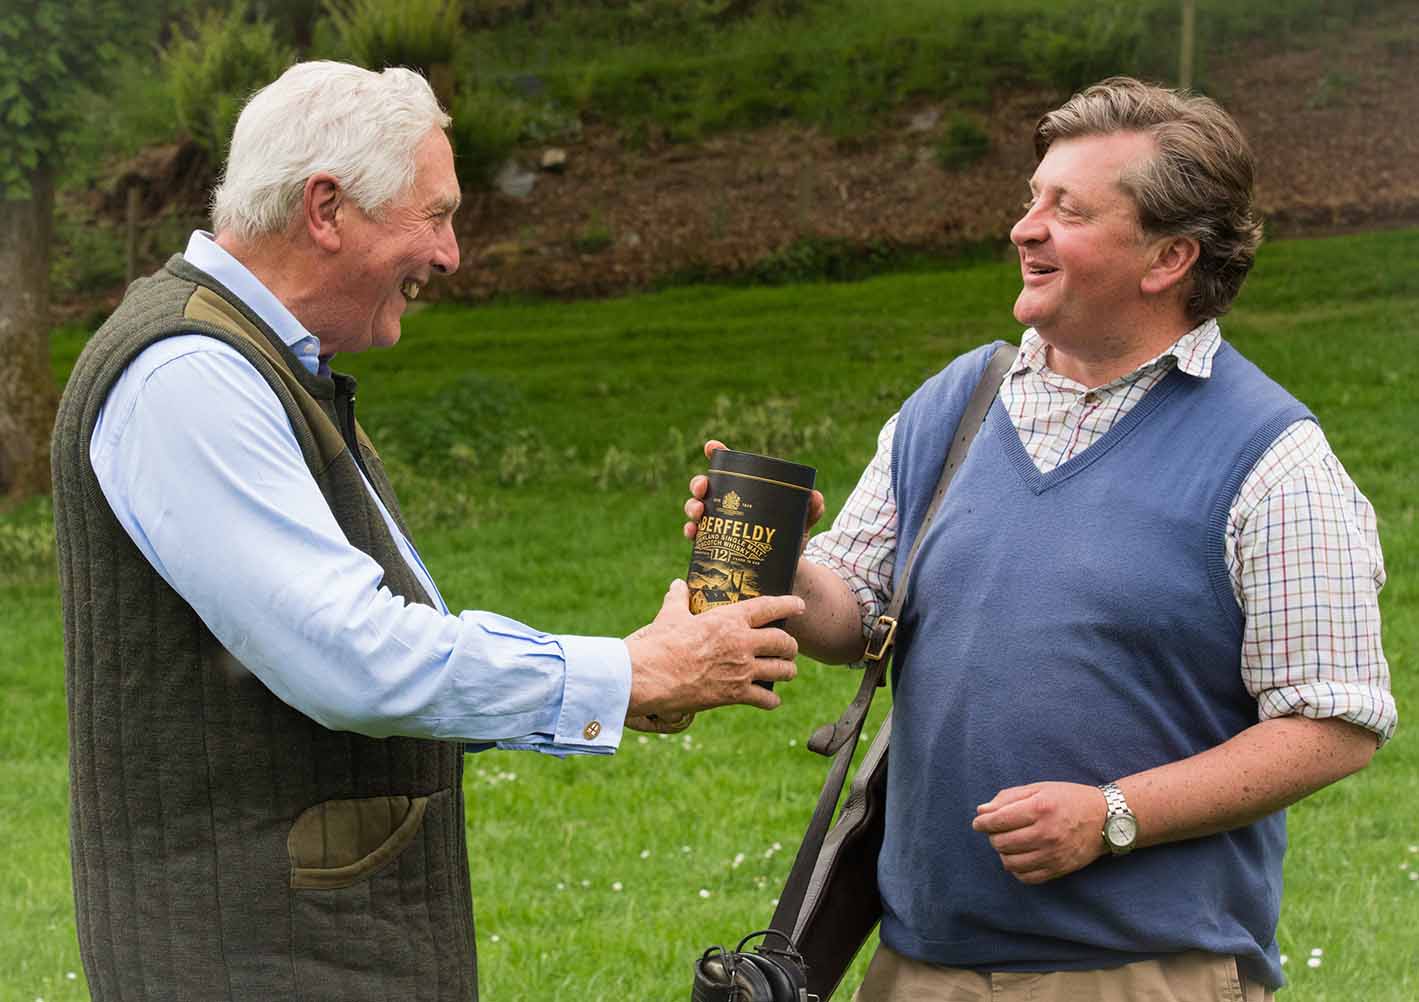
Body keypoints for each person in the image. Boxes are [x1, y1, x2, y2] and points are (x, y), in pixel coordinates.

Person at [51, 61, 802, 1002]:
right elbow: (352, 657)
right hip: (255, 960)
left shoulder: (257, 362)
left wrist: (628, 673)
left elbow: (378, 644)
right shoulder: (189, 376)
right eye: (435, 215)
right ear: (326, 209)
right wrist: (633, 670)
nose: (450, 256)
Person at [685, 77, 1394, 1001]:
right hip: (917, 963)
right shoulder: (960, 401)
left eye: (1066, 210)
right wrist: (768, 566)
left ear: (1166, 257)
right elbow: (854, 610)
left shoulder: (1273, 458)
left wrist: (1114, 816)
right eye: (1032, 199)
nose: (1024, 228)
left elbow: (1333, 724)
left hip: (1142, 974)